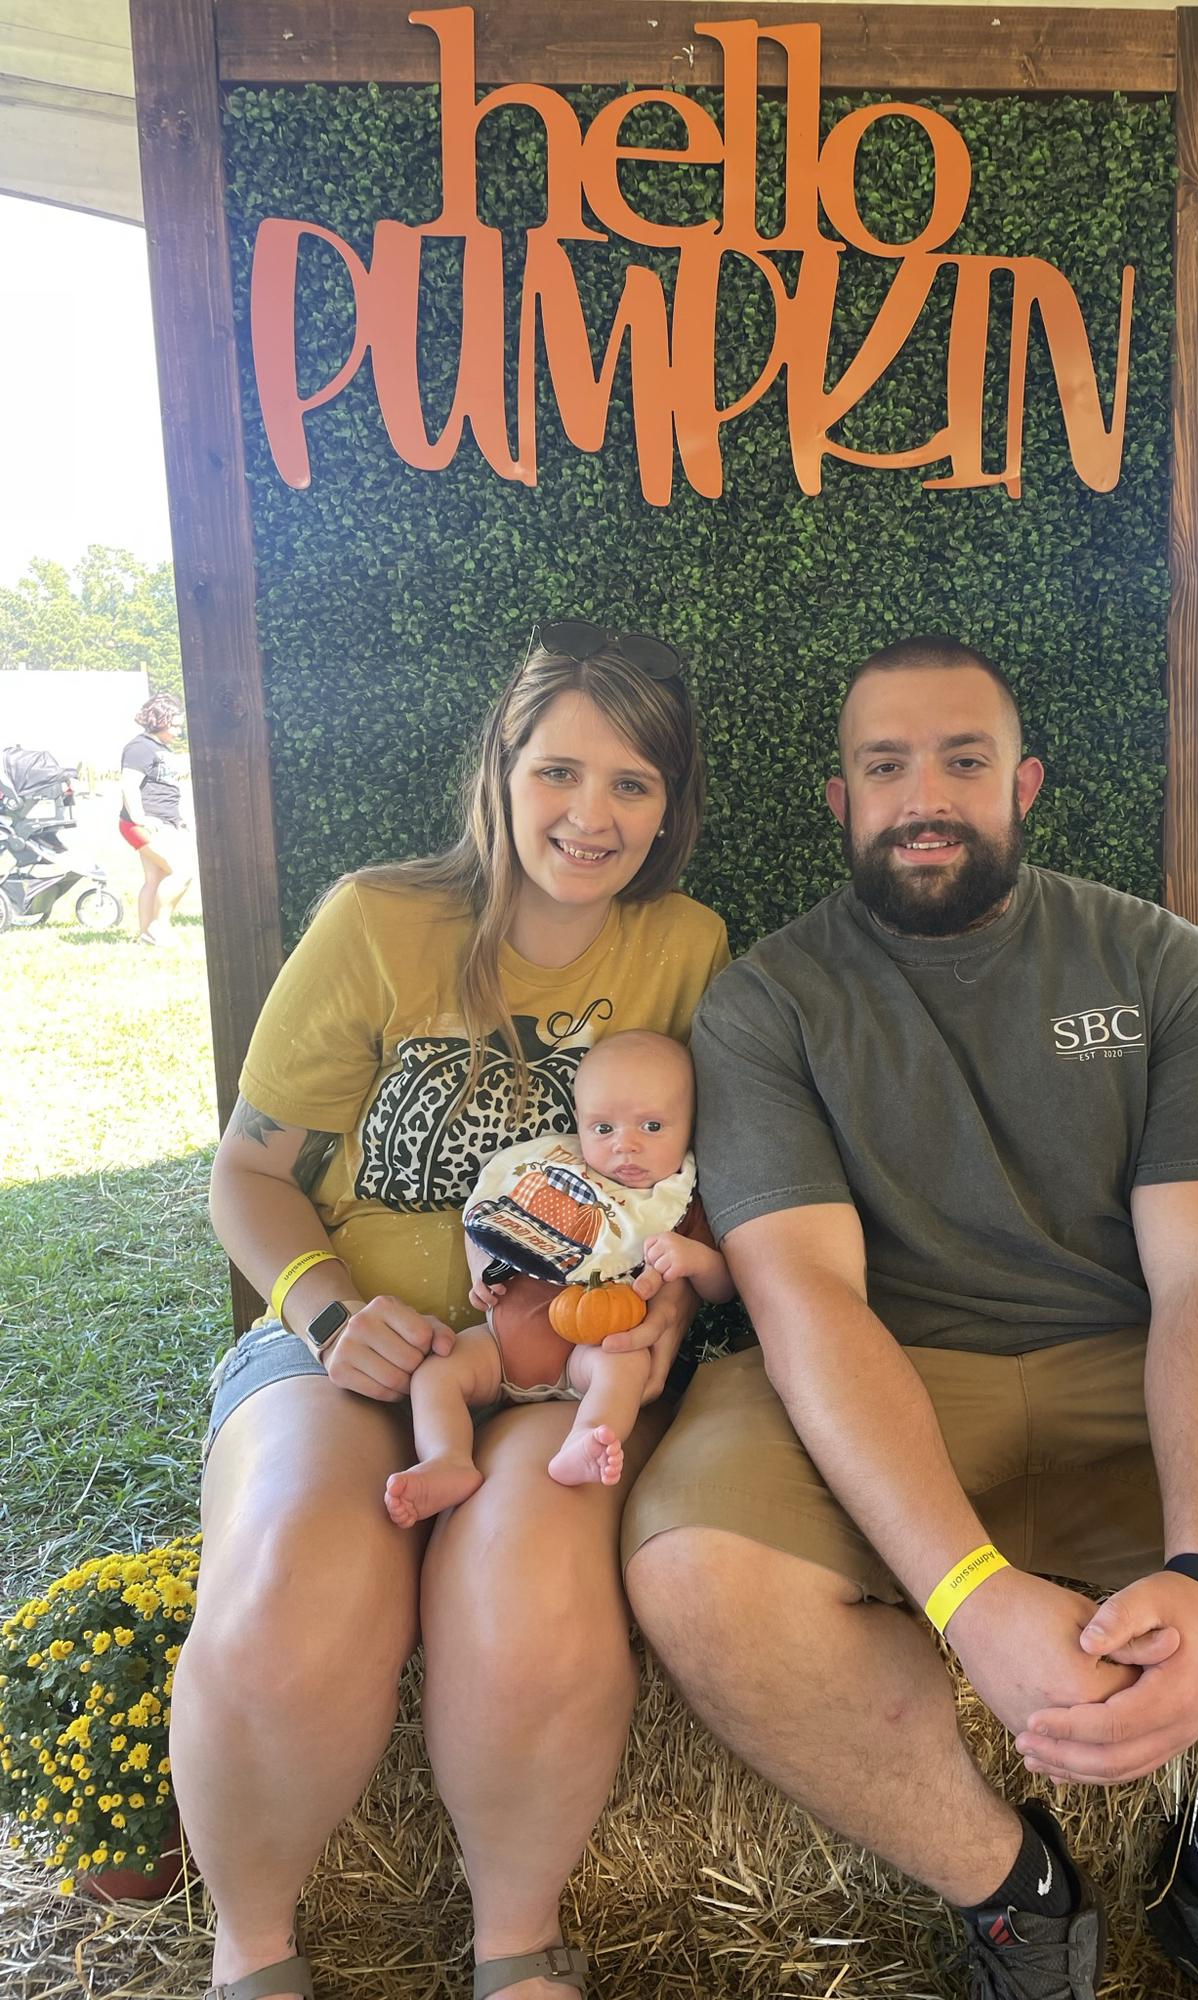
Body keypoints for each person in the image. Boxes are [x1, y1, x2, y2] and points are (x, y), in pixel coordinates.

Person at [622, 635, 1198, 2000]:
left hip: (1144, 1354)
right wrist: (969, 1596)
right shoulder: (766, 1003)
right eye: (885, 766)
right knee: (695, 1574)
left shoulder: (1166, 967)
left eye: (963, 761)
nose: (925, 794)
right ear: (840, 803)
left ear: (1023, 782)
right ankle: (1012, 1892)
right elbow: (806, 1299)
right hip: (893, 1374)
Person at [175, 625, 728, 2000]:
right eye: (558, 772)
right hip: (343, 1350)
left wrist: (658, 1320)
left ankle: (517, 1949)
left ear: (670, 810)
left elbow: (702, 1191)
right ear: (501, 767)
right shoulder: (378, 921)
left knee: (533, 1594)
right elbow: (248, 1173)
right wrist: (321, 1314)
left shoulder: (687, 948)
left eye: (631, 786)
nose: (589, 817)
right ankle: (253, 1956)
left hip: (555, 1367)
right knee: (294, 1576)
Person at [384, 1030, 732, 1522]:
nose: (625, 1147)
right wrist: (483, 1274)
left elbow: (723, 1289)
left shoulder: (678, 1201)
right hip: (500, 1347)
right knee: (436, 1373)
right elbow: (486, 1219)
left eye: (652, 1126)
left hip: (587, 1356)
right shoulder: (550, 1169)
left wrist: (695, 1259)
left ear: (690, 1126)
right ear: (579, 1123)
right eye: (603, 1128)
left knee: (625, 1365)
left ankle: (584, 1440)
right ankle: (447, 1458)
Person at [118, 692, 195, 944]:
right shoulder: (139, 747)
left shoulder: (160, 748)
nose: (178, 732)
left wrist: (177, 820)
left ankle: (145, 935)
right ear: (159, 721)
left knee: (155, 878)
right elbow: (129, 785)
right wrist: (140, 818)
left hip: (163, 820)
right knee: (181, 872)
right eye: (174, 725)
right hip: (143, 823)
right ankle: (159, 928)